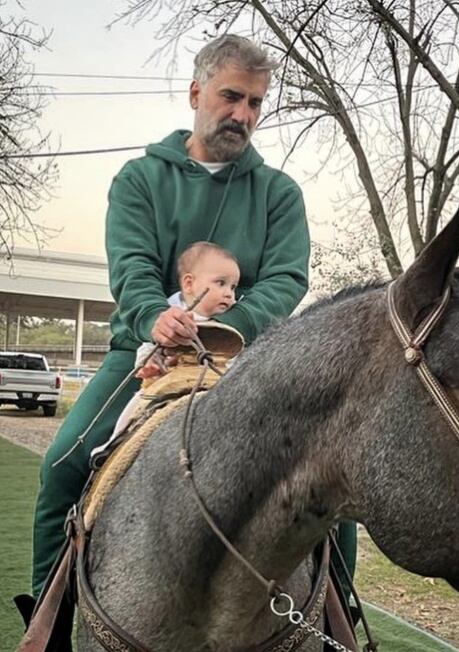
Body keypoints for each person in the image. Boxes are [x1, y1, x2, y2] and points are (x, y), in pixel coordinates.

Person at [27, 34, 312, 607]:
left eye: (256, 103)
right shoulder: (139, 180)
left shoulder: (279, 193)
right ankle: (49, 620)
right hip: (142, 358)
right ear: (195, 92)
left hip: (246, 361)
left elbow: (286, 281)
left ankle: (338, 625)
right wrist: (155, 316)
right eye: (232, 96)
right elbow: (130, 266)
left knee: (324, 489)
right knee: (63, 469)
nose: (243, 114)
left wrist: (225, 330)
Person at [108, 240, 241, 439]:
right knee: (134, 412)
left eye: (233, 287)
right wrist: (150, 365)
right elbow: (149, 347)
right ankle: (111, 447)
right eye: (220, 283)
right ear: (189, 283)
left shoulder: (231, 326)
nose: (229, 294)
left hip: (214, 387)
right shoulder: (171, 313)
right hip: (168, 384)